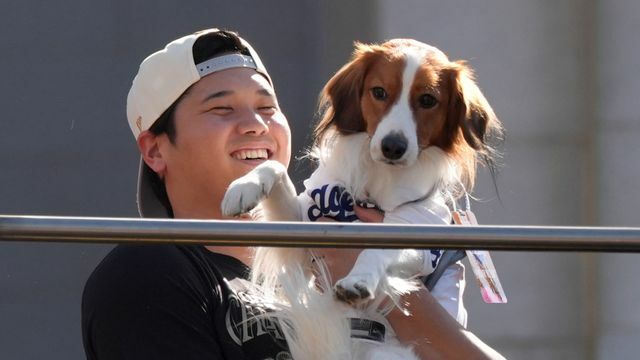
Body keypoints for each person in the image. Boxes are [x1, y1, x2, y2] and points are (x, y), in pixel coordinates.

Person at [81, 28, 504, 360]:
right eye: (222, 109)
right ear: (155, 149)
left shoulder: (328, 228)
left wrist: (388, 279)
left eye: (267, 107)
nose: (256, 125)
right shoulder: (150, 269)